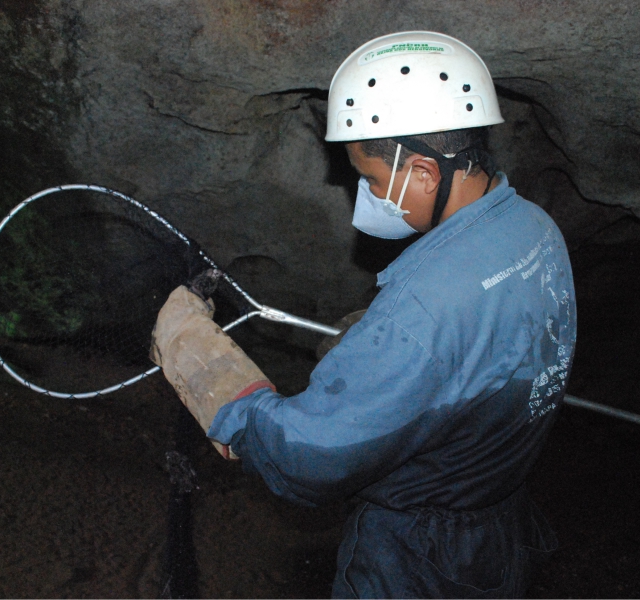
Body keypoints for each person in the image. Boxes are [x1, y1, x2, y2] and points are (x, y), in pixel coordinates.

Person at [150, 31, 576, 598]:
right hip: (494, 531)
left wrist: (207, 371)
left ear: (424, 173)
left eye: (372, 178)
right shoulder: (533, 228)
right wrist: (386, 351)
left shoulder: (419, 312)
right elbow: (496, 344)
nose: (367, 193)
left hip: (418, 559)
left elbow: (309, 458)